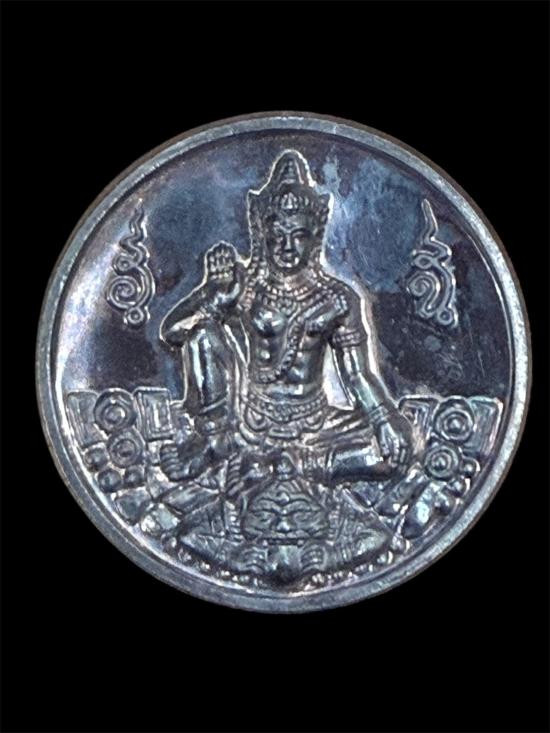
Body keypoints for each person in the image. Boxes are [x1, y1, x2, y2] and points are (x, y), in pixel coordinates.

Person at [159, 150, 411, 491]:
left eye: (299, 236)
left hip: (315, 423)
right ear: (262, 236)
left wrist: (385, 419)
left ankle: (292, 463)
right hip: (246, 417)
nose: (288, 247)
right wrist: (215, 296)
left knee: (392, 452)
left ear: (315, 236)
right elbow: (173, 333)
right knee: (202, 333)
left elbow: (358, 375)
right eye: (278, 236)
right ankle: (214, 441)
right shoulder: (246, 287)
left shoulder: (338, 298)